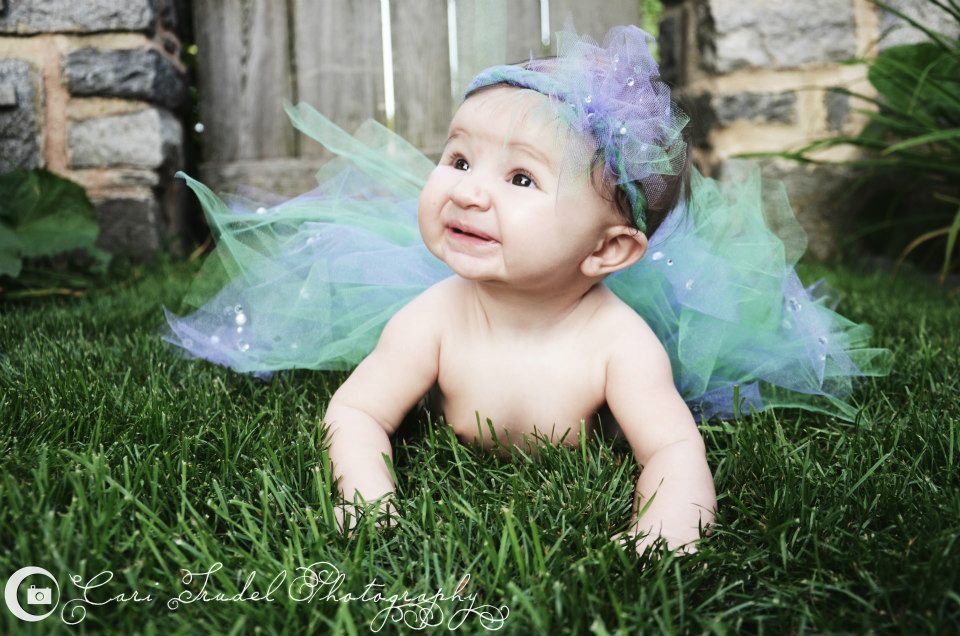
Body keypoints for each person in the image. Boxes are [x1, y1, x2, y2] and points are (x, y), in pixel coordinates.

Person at [163, 25, 893, 557]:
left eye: (520, 178)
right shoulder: (433, 317)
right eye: (458, 159)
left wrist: (665, 528)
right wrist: (367, 499)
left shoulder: (618, 345)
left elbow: (672, 448)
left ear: (607, 249)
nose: (467, 192)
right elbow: (356, 410)